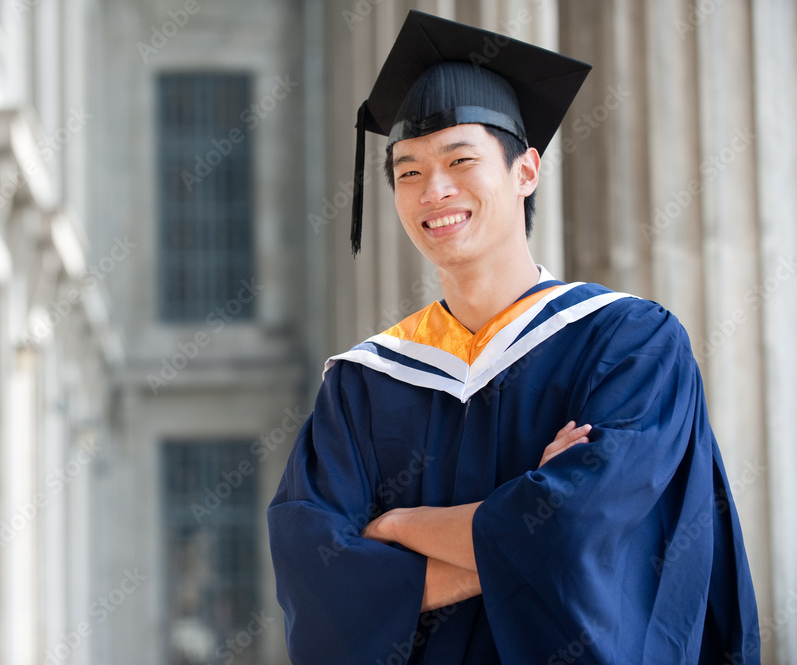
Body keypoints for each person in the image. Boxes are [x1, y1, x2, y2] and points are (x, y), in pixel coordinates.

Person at [267, 10, 760, 664]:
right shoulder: (363, 386)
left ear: (526, 171)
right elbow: (319, 579)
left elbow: (592, 530)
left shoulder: (631, 346)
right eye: (408, 171)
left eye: (459, 159)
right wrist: (527, 528)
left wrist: (399, 530)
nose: (432, 189)